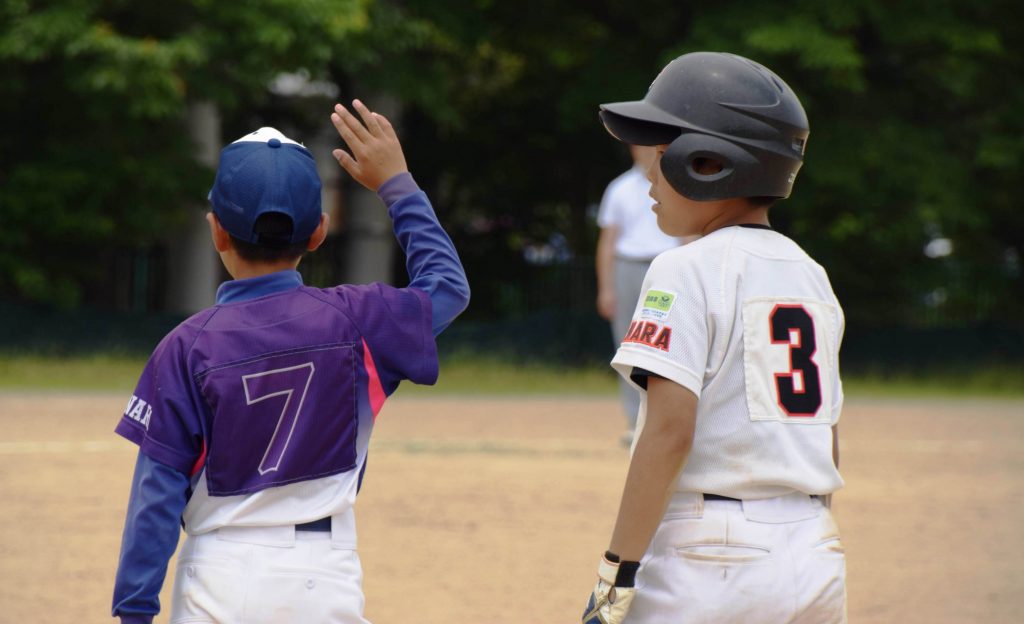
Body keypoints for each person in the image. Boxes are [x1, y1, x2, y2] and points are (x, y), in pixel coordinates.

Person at [110, 100, 470, 623]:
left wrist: (134, 610)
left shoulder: (187, 346)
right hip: (323, 576)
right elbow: (447, 288)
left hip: (218, 571)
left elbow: (157, 493)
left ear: (217, 231)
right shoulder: (358, 319)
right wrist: (398, 185)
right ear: (319, 232)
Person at [582, 52, 847, 624]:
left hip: (713, 559)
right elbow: (827, 436)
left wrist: (616, 570)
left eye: (660, 156)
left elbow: (669, 431)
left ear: (706, 163)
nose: (649, 176)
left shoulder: (684, 267)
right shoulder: (812, 274)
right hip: (816, 548)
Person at [595, 146, 683, 445]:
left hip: (667, 265)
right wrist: (606, 287)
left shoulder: (673, 182)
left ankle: (666, 418)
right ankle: (635, 422)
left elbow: (686, 232)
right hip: (628, 267)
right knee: (627, 345)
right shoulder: (618, 188)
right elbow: (608, 242)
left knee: (668, 343)